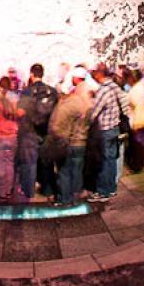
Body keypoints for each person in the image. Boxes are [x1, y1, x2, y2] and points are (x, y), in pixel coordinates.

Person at [48, 68, 92, 206]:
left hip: (70, 142)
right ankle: (75, 198)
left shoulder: (68, 104)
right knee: (77, 171)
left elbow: (56, 126)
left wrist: (58, 139)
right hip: (82, 142)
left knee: (64, 171)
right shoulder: (87, 102)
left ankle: (64, 199)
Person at [87, 63, 129, 203]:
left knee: (104, 161)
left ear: (100, 74)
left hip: (105, 130)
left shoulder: (103, 90)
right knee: (111, 160)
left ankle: (102, 192)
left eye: (95, 73)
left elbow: (93, 113)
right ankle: (111, 189)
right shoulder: (114, 86)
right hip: (114, 128)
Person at [17, 63, 58, 200]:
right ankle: (48, 191)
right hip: (47, 132)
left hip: (30, 132)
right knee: (46, 163)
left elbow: (20, 112)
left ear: (31, 74)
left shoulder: (27, 92)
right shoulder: (52, 91)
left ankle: (29, 194)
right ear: (43, 74)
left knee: (29, 163)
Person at [0, 76, 23, 202]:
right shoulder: (15, 102)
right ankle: (8, 192)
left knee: (0, 165)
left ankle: (1, 193)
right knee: (10, 165)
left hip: (1, 136)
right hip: (13, 137)